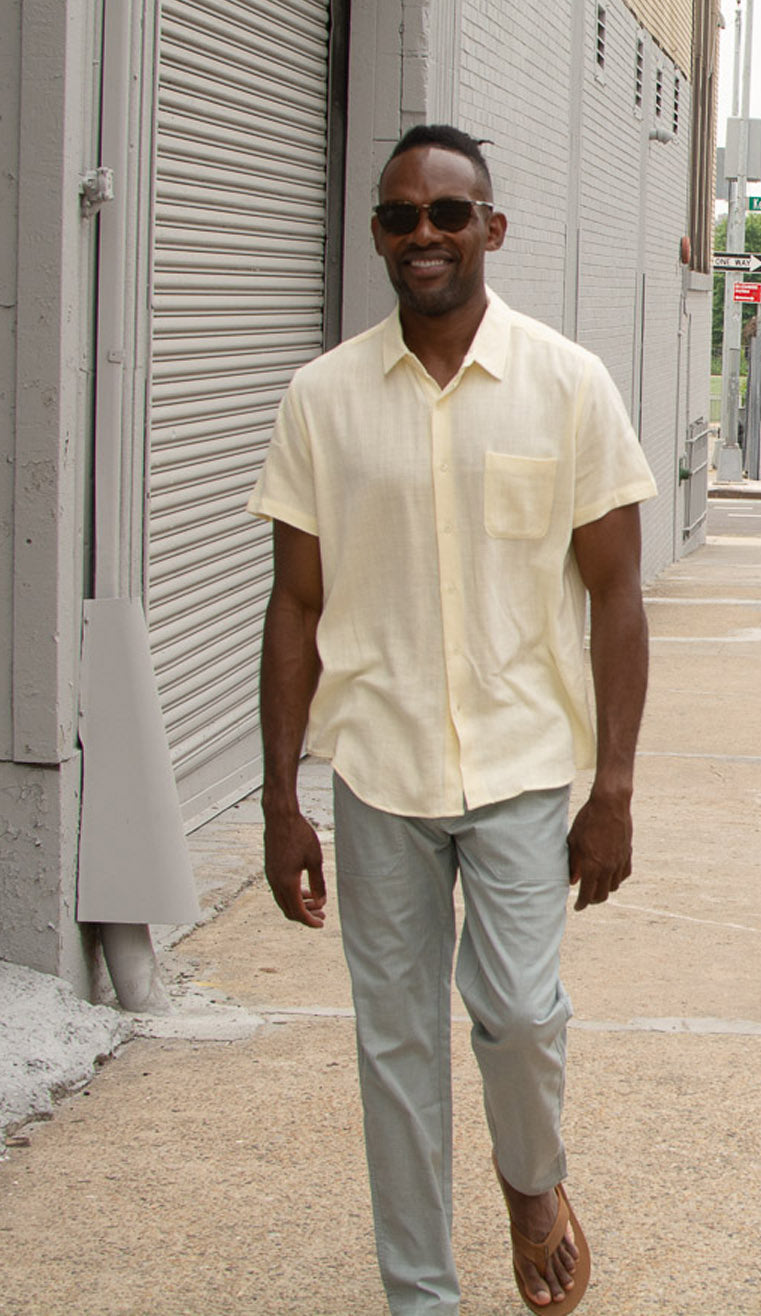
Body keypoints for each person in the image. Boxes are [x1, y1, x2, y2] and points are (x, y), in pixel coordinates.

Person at [248, 123, 657, 1316]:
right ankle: (421, 1297)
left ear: (492, 226)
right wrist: (280, 799)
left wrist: (615, 786)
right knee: (398, 1050)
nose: (422, 234)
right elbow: (295, 602)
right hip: (378, 770)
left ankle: (532, 1179)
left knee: (523, 1013)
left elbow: (617, 596)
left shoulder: (567, 383)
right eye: (399, 216)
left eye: (445, 212)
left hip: (524, 761)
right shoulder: (321, 400)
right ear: (377, 234)